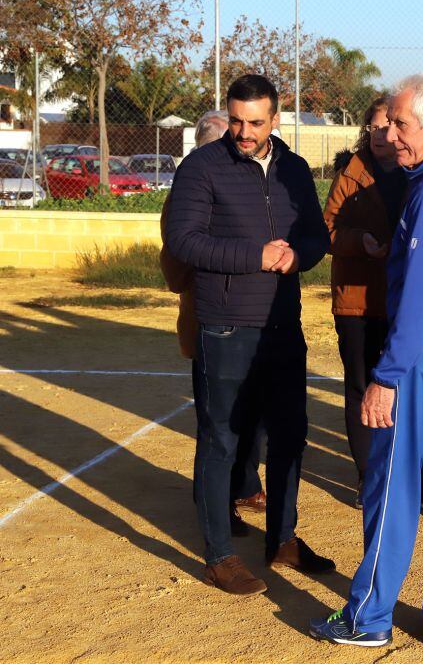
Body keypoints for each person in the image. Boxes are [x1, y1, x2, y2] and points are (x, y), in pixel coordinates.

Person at [309, 74, 423, 651]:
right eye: (388, 122)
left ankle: (369, 616)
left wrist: (387, 376)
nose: (389, 134)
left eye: (400, 124)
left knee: (391, 485)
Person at [165, 74, 334, 596]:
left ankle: (282, 539)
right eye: (236, 121)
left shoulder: (297, 168)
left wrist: (297, 254)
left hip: (283, 324)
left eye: (254, 122)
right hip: (226, 324)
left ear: (275, 120)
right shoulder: (201, 167)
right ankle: (220, 555)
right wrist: (256, 256)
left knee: (289, 436)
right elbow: (184, 241)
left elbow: (316, 235)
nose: (243, 132)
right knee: (221, 440)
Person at [159, 110, 267, 537]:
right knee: (217, 421)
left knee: (252, 413)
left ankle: (244, 485)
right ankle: (217, 506)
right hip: (210, 315)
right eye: (222, 142)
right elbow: (175, 259)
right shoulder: (189, 191)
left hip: (253, 315)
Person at [322, 96, 409, 506]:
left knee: (403, 389)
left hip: (406, 300)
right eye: (373, 127)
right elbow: (328, 231)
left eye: (388, 125)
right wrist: (361, 242)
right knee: (360, 387)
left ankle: (405, 473)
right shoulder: (350, 171)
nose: (380, 134)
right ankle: (367, 477)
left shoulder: (418, 170)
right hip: (356, 299)